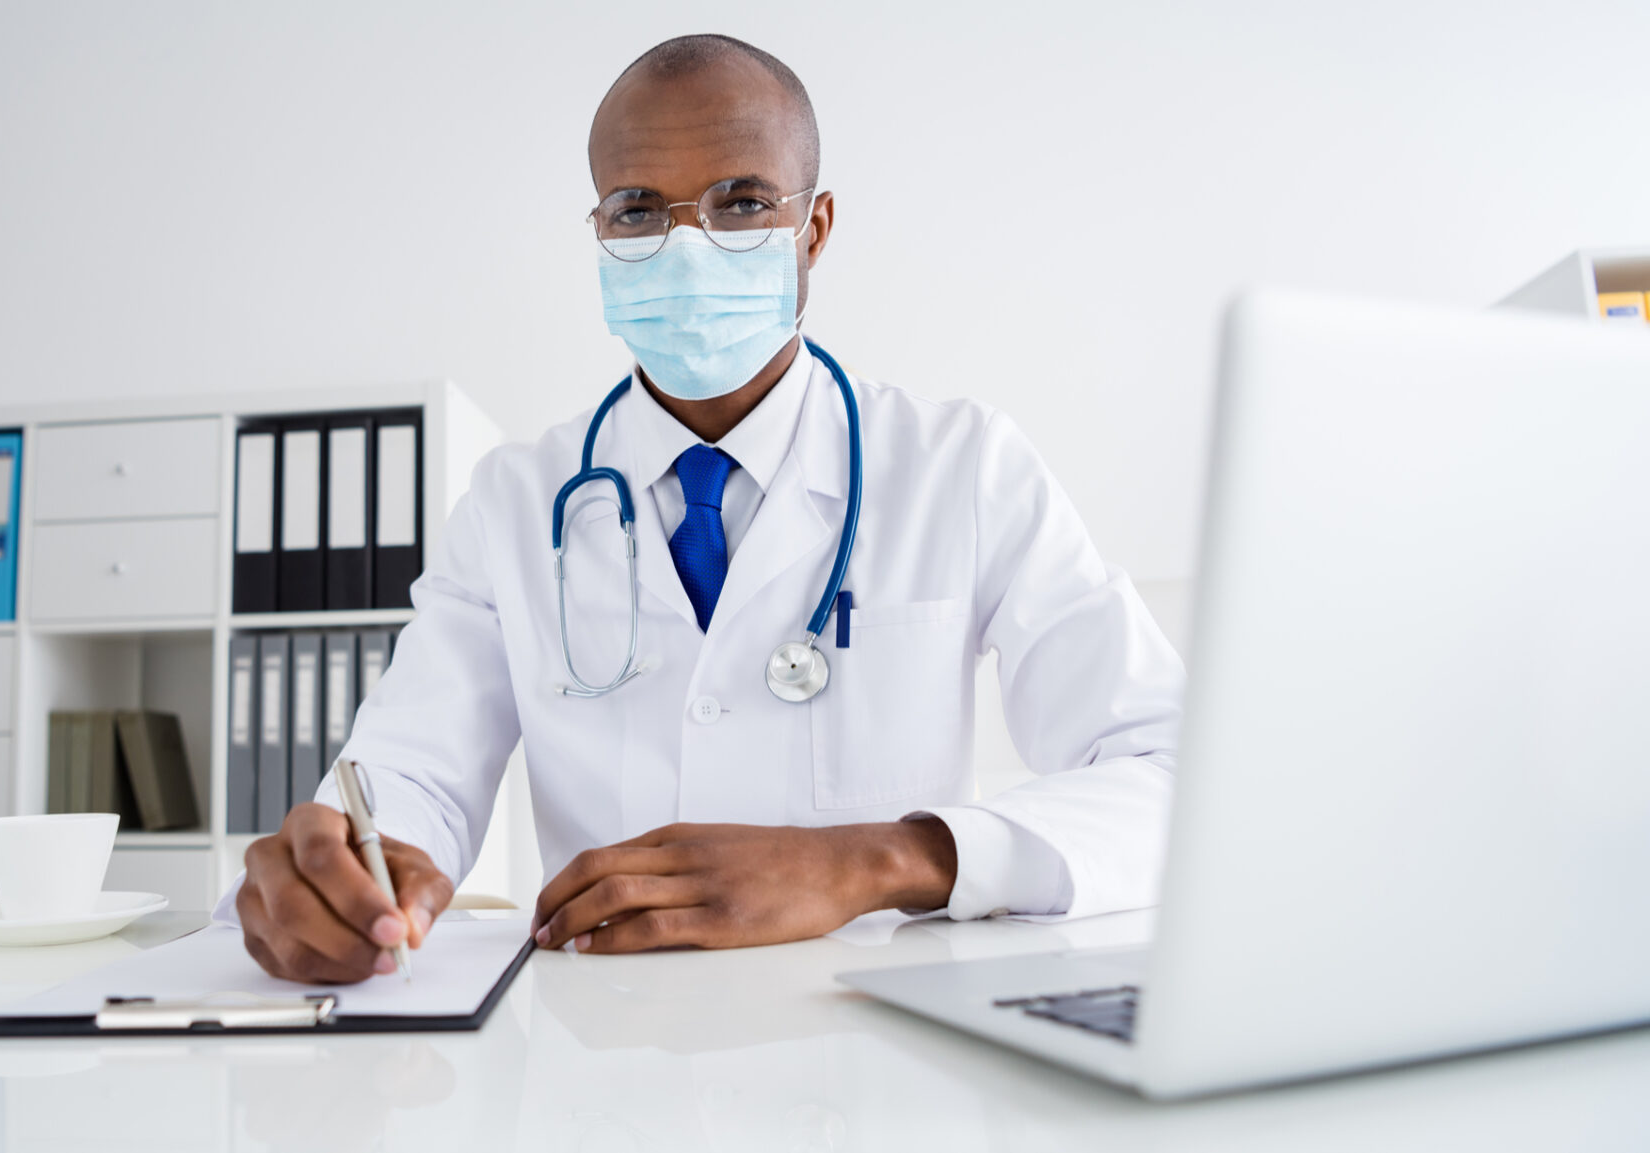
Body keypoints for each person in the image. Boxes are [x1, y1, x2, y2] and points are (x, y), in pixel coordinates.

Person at [217, 33, 1183, 983]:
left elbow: (1175, 773)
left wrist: (877, 859)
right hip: (606, 1051)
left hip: (881, 1054)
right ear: (597, 232)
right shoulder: (516, 504)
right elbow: (413, 779)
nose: (686, 248)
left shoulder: (961, 468)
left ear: (815, 228)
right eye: (638, 210)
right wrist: (348, 877)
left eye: (742, 202)